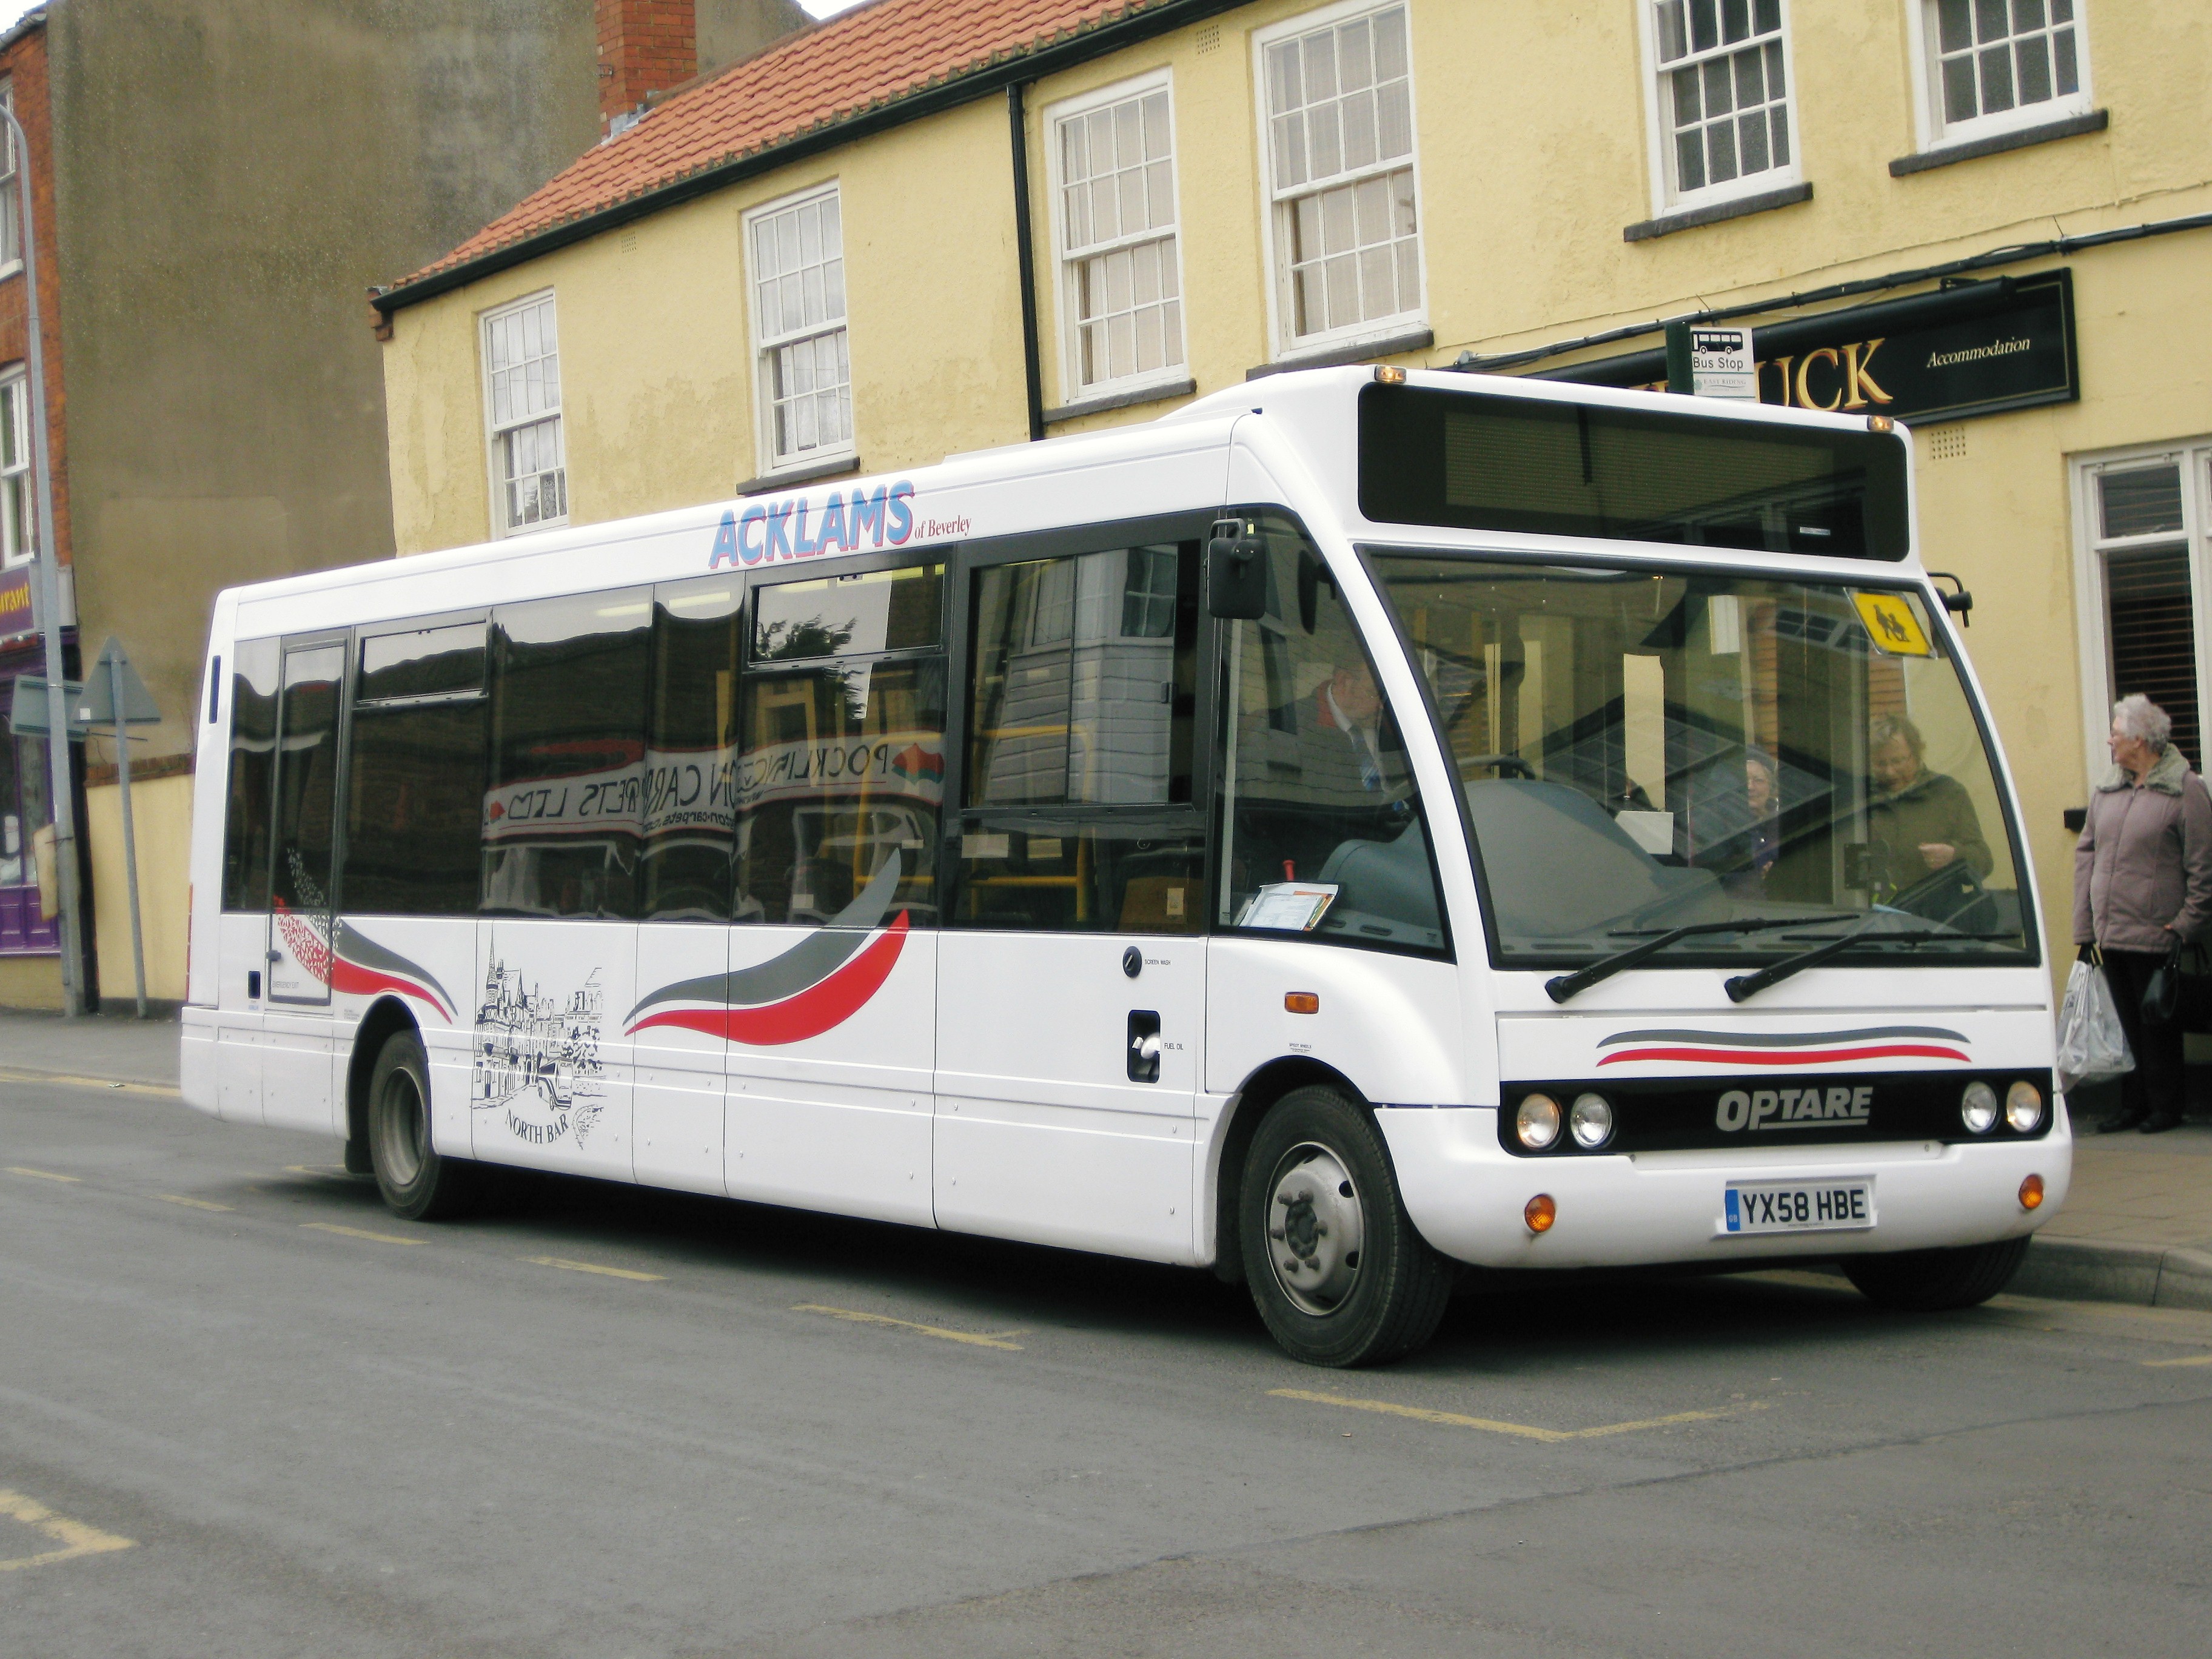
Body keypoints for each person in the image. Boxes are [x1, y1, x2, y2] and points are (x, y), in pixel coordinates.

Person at [2073, 694, 2212, 1133]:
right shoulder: (2107, 789)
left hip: (2157, 930)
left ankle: (2165, 1107)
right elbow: (2086, 854)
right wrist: (2084, 924)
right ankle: (2131, 1105)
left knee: (2156, 1028)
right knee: (2122, 1025)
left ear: (2139, 738)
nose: (2109, 740)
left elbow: (2202, 864)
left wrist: (2189, 922)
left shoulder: (2185, 789)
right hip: (2110, 929)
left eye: (2115, 733)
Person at [1866, 714, 1992, 894]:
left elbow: (1985, 861)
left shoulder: (1948, 793)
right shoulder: (1860, 798)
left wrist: (1954, 856)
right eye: (1880, 764)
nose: (1890, 772)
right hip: (1878, 917)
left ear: (1917, 753)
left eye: (1897, 761)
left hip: (1935, 916)